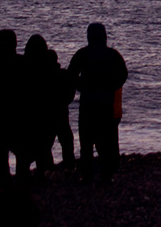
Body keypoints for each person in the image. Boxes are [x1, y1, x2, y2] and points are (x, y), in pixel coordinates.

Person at [67, 23, 128, 183]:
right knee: (106, 141)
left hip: (88, 103)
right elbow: (123, 74)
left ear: (88, 36)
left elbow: (71, 75)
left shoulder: (82, 54)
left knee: (86, 142)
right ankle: (106, 175)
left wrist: (81, 86)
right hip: (106, 103)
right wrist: (111, 86)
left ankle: (87, 175)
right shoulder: (112, 55)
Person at [16, 34, 59, 179]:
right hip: (45, 115)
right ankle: (42, 174)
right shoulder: (49, 69)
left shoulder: (21, 66)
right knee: (43, 148)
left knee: (24, 154)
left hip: (26, 116)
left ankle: (24, 177)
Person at [0, 29, 23, 181]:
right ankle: (20, 179)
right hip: (16, 113)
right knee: (18, 152)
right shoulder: (22, 62)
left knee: (1, 152)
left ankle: (4, 181)